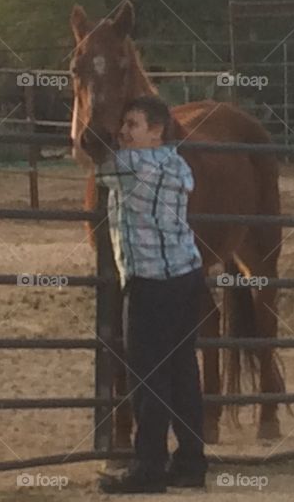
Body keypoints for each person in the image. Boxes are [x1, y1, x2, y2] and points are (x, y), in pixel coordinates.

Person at [95, 95, 208, 494]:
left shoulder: (130, 166)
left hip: (150, 283)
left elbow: (87, 158)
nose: (124, 132)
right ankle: (192, 461)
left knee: (147, 376)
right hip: (187, 275)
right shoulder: (177, 163)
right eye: (124, 124)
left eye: (133, 125)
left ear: (157, 129)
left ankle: (149, 467)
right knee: (181, 371)